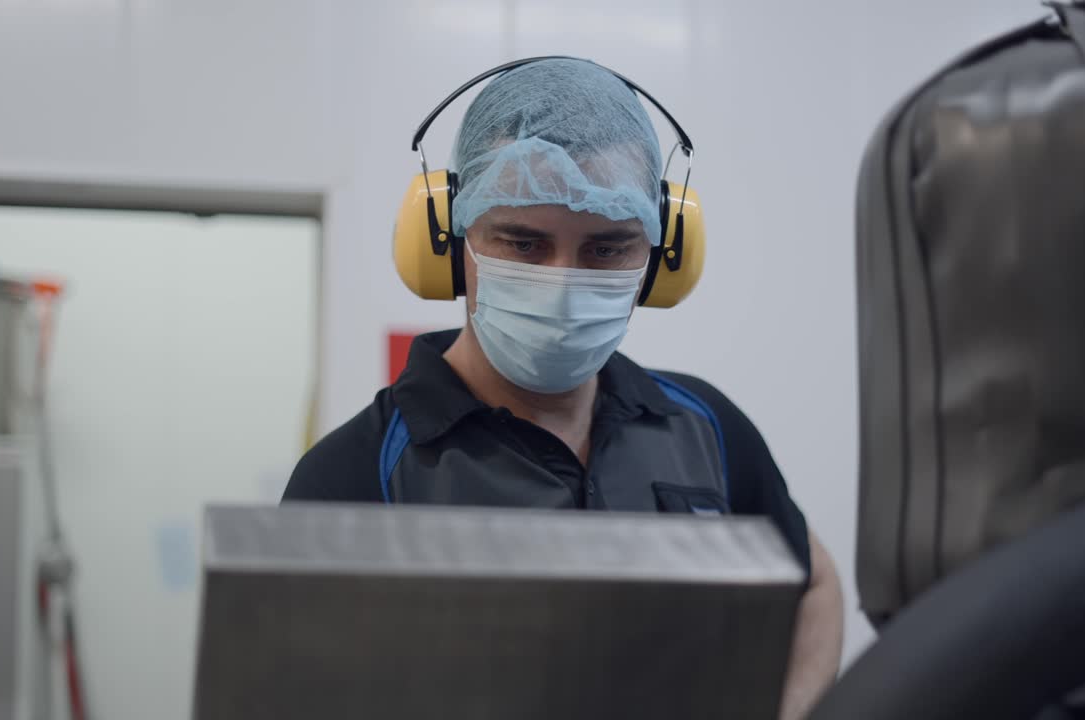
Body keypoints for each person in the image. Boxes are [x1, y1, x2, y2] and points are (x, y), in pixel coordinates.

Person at [284, 57, 844, 719]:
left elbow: (812, 581)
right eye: (523, 242)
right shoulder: (354, 477)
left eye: (607, 248)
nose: (564, 280)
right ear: (449, 242)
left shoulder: (707, 430)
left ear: (662, 261)